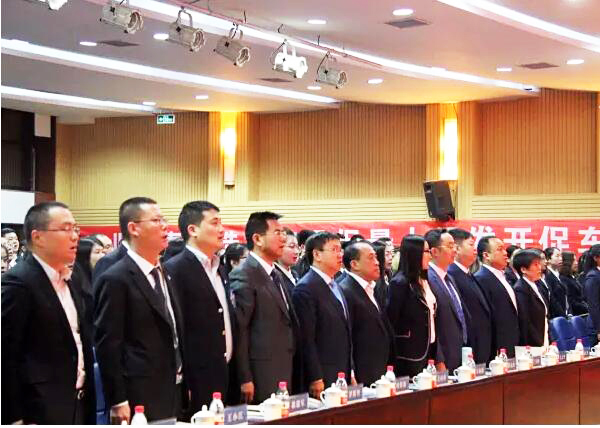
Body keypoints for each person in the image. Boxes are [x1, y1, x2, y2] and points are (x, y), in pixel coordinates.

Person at [1, 202, 96, 424]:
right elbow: (5, 356)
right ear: (38, 237)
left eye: (75, 229)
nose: (75, 236)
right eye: (65, 229)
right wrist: (14, 418)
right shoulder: (18, 283)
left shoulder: (73, 278)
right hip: (39, 410)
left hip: (79, 403)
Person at [94, 197, 185, 423]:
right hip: (138, 392)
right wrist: (117, 399)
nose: (165, 226)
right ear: (134, 228)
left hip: (173, 386)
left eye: (164, 219)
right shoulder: (116, 278)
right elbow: (108, 344)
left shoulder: (164, 271)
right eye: (156, 220)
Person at [165, 201, 237, 411]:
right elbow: (176, 330)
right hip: (195, 379)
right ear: (193, 230)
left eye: (221, 223)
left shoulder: (220, 268)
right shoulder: (175, 269)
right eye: (214, 223)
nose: (222, 230)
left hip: (225, 372)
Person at [230, 212, 298, 404]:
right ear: (258, 239)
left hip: (283, 366)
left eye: (283, 233)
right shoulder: (244, 274)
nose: (283, 238)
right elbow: (240, 329)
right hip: (260, 372)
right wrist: (245, 377)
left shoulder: (275, 273)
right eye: (277, 233)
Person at [292, 232, 352, 399]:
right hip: (323, 374)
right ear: (317, 255)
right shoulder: (306, 288)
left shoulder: (335, 284)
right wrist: (315, 377)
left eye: (340, 250)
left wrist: (351, 370)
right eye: (334, 250)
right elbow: (306, 339)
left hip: (341, 370)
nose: (340, 254)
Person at [339, 241, 392, 385]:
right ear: (354, 264)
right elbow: (347, 338)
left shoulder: (371, 288)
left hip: (378, 367)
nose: (377, 262)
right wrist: (351, 372)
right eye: (371, 258)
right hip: (361, 372)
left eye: (376, 257)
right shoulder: (346, 291)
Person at [387, 235, 440, 376]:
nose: (430, 256)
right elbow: (391, 320)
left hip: (430, 348)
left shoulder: (425, 280)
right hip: (409, 354)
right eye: (426, 252)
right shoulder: (400, 283)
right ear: (414, 253)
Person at [424, 229, 468, 372]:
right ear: (434, 251)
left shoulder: (449, 278)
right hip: (442, 358)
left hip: (458, 352)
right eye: (450, 246)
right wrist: (438, 359)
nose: (455, 250)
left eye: (454, 245)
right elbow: (432, 324)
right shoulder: (428, 279)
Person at [448, 229, 493, 364]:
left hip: (482, 344)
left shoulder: (468, 274)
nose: (475, 249)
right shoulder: (451, 274)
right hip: (468, 346)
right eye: (471, 245)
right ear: (457, 248)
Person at [474, 236, 519, 358]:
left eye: (504, 249)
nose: (505, 253)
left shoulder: (503, 276)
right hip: (497, 346)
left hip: (511, 340)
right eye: (500, 249)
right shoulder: (481, 278)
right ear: (486, 255)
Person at [513, 249, 549, 347]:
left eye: (539, 264)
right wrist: (536, 343)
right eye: (535, 265)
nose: (539, 268)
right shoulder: (520, 288)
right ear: (523, 269)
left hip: (543, 334)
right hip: (532, 343)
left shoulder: (536, 284)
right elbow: (525, 321)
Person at [72, 236, 106, 331]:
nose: (103, 255)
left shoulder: (102, 274)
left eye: (103, 251)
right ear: (84, 255)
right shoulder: (75, 279)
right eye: (97, 252)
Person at [559, 251, 588, 315]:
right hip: (577, 314)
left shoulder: (572, 277)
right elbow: (572, 302)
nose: (576, 263)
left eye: (576, 260)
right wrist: (588, 308)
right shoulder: (564, 279)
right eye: (573, 261)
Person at [544, 247, 570, 318]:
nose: (561, 258)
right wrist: (562, 315)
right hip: (556, 316)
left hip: (566, 313)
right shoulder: (547, 276)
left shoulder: (559, 274)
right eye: (557, 256)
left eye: (561, 256)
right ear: (548, 259)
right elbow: (553, 300)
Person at [583, 244, 600, 344]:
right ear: (596, 258)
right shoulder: (593, 276)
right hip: (596, 324)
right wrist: (599, 329)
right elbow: (593, 304)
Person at [275, 228, 300, 294]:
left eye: (297, 247)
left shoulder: (294, 274)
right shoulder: (274, 277)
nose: (297, 252)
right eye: (292, 246)